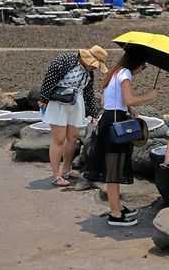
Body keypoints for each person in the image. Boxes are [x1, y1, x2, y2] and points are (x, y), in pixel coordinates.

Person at [97, 49, 158, 226]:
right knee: (114, 171)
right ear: (136, 63)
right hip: (116, 124)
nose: (143, 69)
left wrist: (127, 109)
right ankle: (115, 215)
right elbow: (129, 99)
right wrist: (149, 96)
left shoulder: (114, 73)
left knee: (112, 169)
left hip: (109, 120)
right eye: (144, 66)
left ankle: (117, 206)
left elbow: (106, 101)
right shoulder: (125, 74)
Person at [38, 45, 108, 187]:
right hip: (59, 102)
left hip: (76, 102)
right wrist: (44, 98)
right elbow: (49, 79)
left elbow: (88, 92)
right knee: (59, 139)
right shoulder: (65, 60)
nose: (95, 68)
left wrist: (94, 113)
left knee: (73, 138)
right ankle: (56, 175)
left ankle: (66, 169)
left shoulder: (89, 73)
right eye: (94, 65)